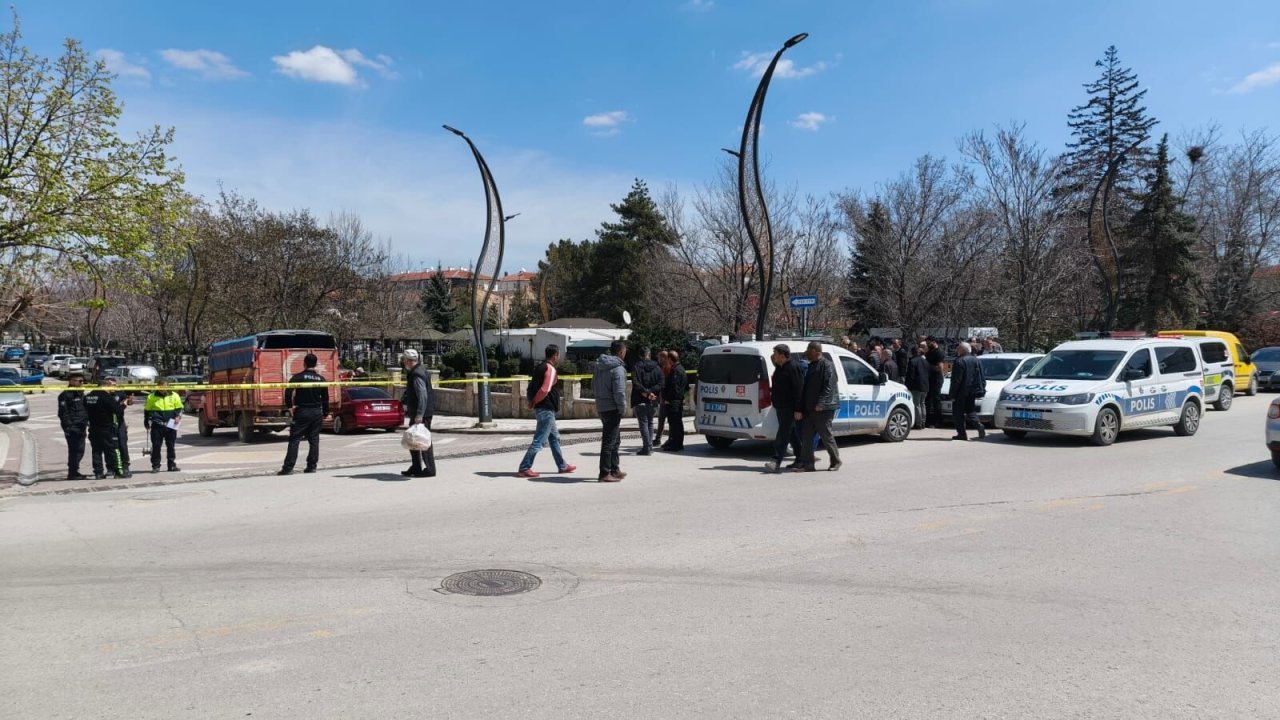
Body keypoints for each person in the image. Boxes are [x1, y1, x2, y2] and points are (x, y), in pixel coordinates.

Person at [516, 345, 576, 478]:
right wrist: (534, 402)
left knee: (554, 438)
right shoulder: (550, 369)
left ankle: (562, 465)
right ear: (555, 355)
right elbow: (544, 390)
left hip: (543, 408)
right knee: (539, 440)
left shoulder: (539, 367)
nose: (559, 357)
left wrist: (532, 401)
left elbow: (533, 386)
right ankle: (525, 467)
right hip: (546, 408)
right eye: (558, 355)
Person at [278, 353, 330, 476]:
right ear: (316, 364)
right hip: (316, 411)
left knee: (295, 440)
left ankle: (288, 468)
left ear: (304, 363)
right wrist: (325, 412)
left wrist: (290, 407)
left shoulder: (297, 377)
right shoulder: (321, 379)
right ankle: (312, 466)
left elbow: (288, 392)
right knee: (314, 440)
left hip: (302, 411)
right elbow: (326, 398)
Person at [797, 341, 841, 472]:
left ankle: (836, 461)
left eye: (809, 352)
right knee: (807, 437)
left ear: (815, 351)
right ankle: (808, 464)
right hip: (810, 408)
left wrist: (821, 403)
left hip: (823, 409)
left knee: (826, 436)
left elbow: (829, 385)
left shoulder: (827, 365)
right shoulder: (812, 365)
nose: (807, 355)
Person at [765, 344, 804, 472]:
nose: (773, 357)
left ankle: (776, 460)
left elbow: (799, 390)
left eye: (776, 355)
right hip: (780, 406)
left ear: (782, 356)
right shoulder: (780, 367)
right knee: (791, 433)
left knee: (782, 434)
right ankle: (801, 459)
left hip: (790, 407)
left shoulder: (793, 367)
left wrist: (798, 409)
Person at [593, 341, 628, 482]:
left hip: (601, 406)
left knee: (615, 439)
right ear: (620, 352)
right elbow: (619, 392)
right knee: (609, 441)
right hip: (612, 408)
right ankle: (604, 473)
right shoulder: (618, 369)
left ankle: (615, 469)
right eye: (625, 351)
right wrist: (622, 407)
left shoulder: (599, 366)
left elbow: (593, 384)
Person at [400, 349, 436, 478]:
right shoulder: (417, 371)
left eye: (404, 360)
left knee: (423, 441)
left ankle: (430, 469)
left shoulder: (417, 374)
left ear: (409, 361)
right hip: (418, 412)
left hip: (422, 414)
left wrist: (419, 415)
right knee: (413, 440)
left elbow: (422, 396)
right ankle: (416, 467)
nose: (403, 362)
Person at [85, 382, 130, 479]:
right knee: (114, 449)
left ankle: (98, 472)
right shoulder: (106, 397)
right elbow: (118, 411)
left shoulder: (88, 396)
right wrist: (124, 405)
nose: (113, 389)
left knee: (96, 451)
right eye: (111, 387)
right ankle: (119, 471)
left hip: (93, 427)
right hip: (107, 427)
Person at [949, 341, 987, 441]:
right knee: (970, 410)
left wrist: (952, 394)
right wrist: (982, 388)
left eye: (958, 348)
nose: (957, 350)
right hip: (973, 391)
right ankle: (978, 425)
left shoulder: (959, 361)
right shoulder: (976, 360)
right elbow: (982, 377)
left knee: (958, 413)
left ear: (962, 349)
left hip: (961, 392)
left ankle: (962, 433)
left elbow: (956, 380)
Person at [144, 378, 183, 473]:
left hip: (172, 423)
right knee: (156, 445)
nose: (162, 389)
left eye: (165, 387)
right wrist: (146, 422)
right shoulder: (151, 396)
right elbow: (147, 410)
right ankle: (156, 466)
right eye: (161, 387)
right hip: (157, 424)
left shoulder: (174, 395)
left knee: (171, 445)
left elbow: (180, 408)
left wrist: (178, 416)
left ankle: (171, 465)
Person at [631, 347, 664, 455]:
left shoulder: (636, 367)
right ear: (649, 355)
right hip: (653, 400)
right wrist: (652, 392)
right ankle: (649, 446)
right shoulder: (657, 367)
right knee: (650, 423)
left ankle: (647, 447)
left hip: (640, 399)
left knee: (644, 424)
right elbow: (661, 383)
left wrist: (646, 392)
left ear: (640, 355)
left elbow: (636, 383)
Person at [57, 376, 89, 480]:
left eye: (82, 381)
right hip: (72, 427)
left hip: (82, 425)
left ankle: (75, 470)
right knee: (74, 450)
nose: (81, 382)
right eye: (79, 381)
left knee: (81, 449)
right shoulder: (65, 395)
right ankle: (72, 472)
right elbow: (63, 413)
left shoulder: (81, 393)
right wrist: (68, 426)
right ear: (71, 381)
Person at [660, 350, 689, 452]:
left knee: (675, 424)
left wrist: (668, 399)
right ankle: (675, 443)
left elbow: (674, 387)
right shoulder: (681, 369)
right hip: (677, 400)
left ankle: (676, 444)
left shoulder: (676, 370)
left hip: (674, 401)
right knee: (676, 423)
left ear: (670, 359)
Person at [104, 377, 133, 475]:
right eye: (110, 385)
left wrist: (129, 401)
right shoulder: (103, 394)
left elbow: (128, 402)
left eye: (114, 385)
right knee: (109, 445)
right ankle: (110, 468)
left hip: (119, 422)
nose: (113, 387)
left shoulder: (120, 393)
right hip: (107, 423)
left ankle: (125, 466)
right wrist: (121, 405)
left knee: (122, 444)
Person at [905, 341, 931, 430]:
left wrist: (907, 385)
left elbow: (910, 376)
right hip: (925, 386)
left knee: (916, 405)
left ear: (913, 353)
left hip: (916, 386)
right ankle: (923, 422)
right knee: (922, 404)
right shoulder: (926, 362)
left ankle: (918, 423)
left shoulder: (912, 361)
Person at [925, 339, 945, 428]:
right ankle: (927, 421)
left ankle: (938, 421)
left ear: (934, 342)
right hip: (929, 379)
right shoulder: (930, 352)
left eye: (929, 343)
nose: (928, 345)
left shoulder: (939, 352)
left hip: (936, 379)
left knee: (936, 400)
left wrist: (927, 366)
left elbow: (940, 368)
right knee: (927, 400)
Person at [653, 350, 671, 446]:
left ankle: (661, 438)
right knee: (662, 419)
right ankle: (658, 438)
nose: (658, 360)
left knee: (664, 419)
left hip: (666, 399)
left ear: (664, 358)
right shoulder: (664, 368)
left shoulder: (667, 368)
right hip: (663, 398)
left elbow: (665, 385)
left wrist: (664, 398)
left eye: (660, 358)